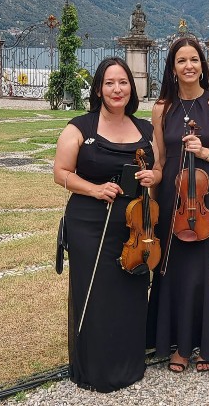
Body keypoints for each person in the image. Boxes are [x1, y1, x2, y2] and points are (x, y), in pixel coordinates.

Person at [53, 56, 159, 393]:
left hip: (134, 227)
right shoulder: (79, 127)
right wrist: (96, 189)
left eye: (123, 82)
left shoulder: (145, 129)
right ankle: (94, 368)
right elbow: (61, 173)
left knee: (129, 292)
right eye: (110, 83)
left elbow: (157, 173)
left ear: (132, 87)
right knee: (95, 294)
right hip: (90, 223)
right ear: (99, 89)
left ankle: (128, 363)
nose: (117, 89)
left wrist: (151, 174)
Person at [146, 36, 209, 372]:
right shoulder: (161, 109)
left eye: (194, 60)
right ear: (172, 68)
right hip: (171, 196)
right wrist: (151, 190)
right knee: (169, 269)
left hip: (204, 195)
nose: (188, 66)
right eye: (181, 60)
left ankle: (204, 345)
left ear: (202, 65)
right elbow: (161, 158)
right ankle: (177, 346)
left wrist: (204, 152)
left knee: (199, 268)